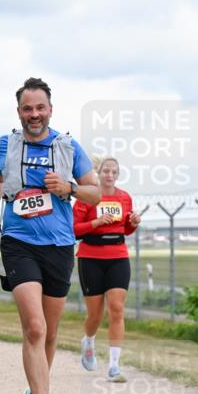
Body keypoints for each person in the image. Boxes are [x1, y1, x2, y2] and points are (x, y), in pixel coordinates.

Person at [0, 77, 100, 394]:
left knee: (49, 333)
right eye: (27, 108)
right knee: (34, 327)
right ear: (19, 112)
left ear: (50, 109)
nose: (34, 114)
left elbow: (95, 193)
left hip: (60, 245)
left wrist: (69, 189)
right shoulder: (6, 145)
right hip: (19, 243)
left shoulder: (68, 147)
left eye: (40, 107)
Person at [73, 157, 141, 382]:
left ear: (118, 175)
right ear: (98, 173)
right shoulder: (87, 197)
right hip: (91, 257)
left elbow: (127, 229)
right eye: (106, 171)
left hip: (118, 256)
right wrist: (97, 223)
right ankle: (89, 342)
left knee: (117, 309)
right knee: (95, 314)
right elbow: (74, 230)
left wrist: (133, 222)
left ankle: (114, 365)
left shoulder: (124, 197)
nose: (110, 175)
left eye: (114, 172)